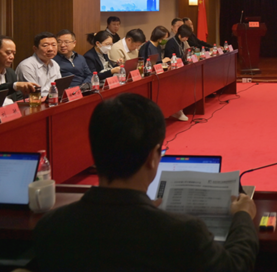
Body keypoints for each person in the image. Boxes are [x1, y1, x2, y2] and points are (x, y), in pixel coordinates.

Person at [30, 93, 259, 272]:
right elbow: (235, 265)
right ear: (152, 157)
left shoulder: (52, 226)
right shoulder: (183, 233)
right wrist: (243, 216)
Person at [15, 32, 62, 97]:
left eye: (54, 45)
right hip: (32, 101)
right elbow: (34, 93)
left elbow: (59, 88)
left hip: (51, 99)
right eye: (45, 45)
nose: (51, 49)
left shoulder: (55, 64)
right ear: (35, 49)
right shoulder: (26, 66)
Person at [0, 35, 39, 105]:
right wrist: (14, 85)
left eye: (13, 53)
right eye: (8, 53)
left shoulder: (10, 72)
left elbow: (18, 97)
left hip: (12, 110)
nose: (12, 57)